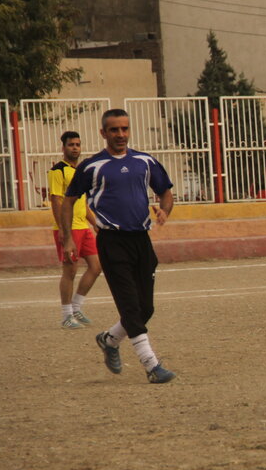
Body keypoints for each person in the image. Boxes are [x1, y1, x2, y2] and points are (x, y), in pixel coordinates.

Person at [60, 109, 176, 384]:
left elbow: (166, 192)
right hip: (112, 242)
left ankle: (110, 340)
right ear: (103, 133)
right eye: (114, 130)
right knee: (128, 304)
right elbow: (69, 201)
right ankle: (152, 365)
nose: (120, 134)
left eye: (124, 128)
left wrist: (165, 210)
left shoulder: (145, 161)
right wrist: (67, 238)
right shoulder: (92, 166)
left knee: (145, 308)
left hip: (141, 241)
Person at [48, 130, 102, 329]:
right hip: (69, 229)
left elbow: (83, 203)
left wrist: (95, 223)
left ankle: (77, 307)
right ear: (63, 148)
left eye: (78, 144)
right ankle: (66, 315)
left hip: (84, 227)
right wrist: (63, 229)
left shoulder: (81, 172)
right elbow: (56, 200)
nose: (75, 148)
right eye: (71, 144)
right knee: (70, 271)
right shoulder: (58, 171)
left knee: (96, 266)